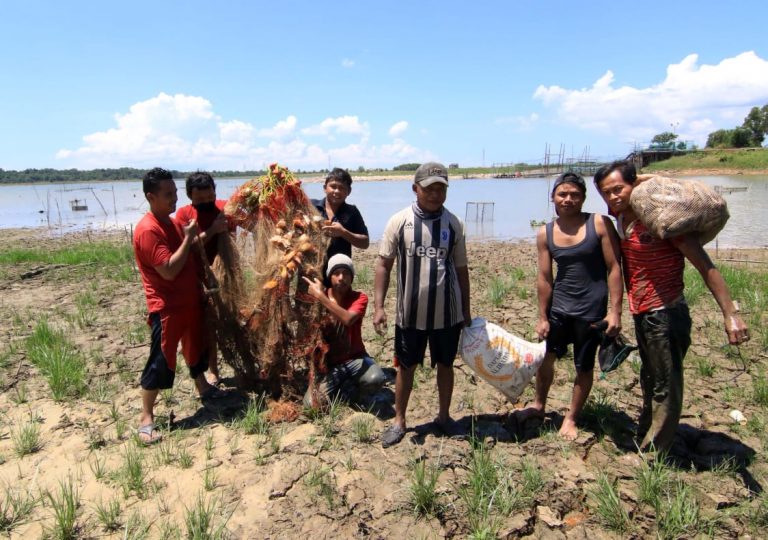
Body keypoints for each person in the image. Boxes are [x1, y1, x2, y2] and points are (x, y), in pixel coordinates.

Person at [594, 161, 750, 452]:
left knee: (665, 385)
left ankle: (655, 454)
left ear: (634, 186)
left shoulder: (662, 220)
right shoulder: (622, 216)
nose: (614, 197)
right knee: (651, 379)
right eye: (606, 193)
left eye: (619, 189)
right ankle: (648, 437)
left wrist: (731, 314)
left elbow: (706, 266)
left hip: (665, 313)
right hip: (642, 313)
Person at [516, 172, 623, 440]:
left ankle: (571, 418)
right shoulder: (545, 233)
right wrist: (542, 316)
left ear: (584, 198)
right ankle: (539, 405)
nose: (568, 199)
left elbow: (614, 268)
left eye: (574, 194)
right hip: (559, 309)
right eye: (562, 194)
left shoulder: (599, 224)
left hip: (591, 313)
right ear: (552, 197)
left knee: (583, 366)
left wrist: (615, 311)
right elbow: (544, 277)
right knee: (545, 360)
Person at [373, 162, 471, 448]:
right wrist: (379, 307)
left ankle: (443, 416)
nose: (435, 194)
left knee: (445, 365)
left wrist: (466, 310)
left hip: (447, 314)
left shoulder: (454, 223)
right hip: (410, 315)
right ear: (415, 188)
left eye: (441, 188)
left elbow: (462, 269)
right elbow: (383, 265)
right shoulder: (399, 221)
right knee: (406, 367)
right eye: (429, 188)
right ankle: (399, 420)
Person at [133, 167, 224, 446]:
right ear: (151, 196)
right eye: (168, 194)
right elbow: (169, 270)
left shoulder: (170, 222)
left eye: (174, 193)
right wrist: (188, 238)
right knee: (161, 360)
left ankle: (203, 387)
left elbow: (190, 251)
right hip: (167, 307)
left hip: (189, 301)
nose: (174, 199)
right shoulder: (148, 230)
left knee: (195, 348)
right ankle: (146, 417)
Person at [301, 253, 386, 408]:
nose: (341, 277)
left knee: (376, 379)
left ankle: (354, 391)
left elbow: (347, 319)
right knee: (310, 405)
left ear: (352, 277)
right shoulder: (320, 297)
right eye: (336, 273)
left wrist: (320, 297)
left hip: (355, 359)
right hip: (330, 366)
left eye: (346, 273)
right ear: (330, 277)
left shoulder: (359, 298)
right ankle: (343, 387)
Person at [175, 171, 232, 386]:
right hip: (196, 278)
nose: (207, 202)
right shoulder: (184, 215)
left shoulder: (225, 208)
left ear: (215, 191)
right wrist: (213, 230)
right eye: (200, 200)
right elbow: (186, 247)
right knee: (205, 327)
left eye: (210, 197)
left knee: (221, 326)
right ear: (190, 196)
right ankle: (213, 370)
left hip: (224, 278)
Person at [311, 168, 369, 279]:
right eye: (333, 186)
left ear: (349, 191)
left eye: (342, 188)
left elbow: (365, 243)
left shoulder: (352, 212)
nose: (336, 191)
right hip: (311, 272)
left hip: (339, 276)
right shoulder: (311, 206)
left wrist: (343, 232)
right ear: (324, 188)